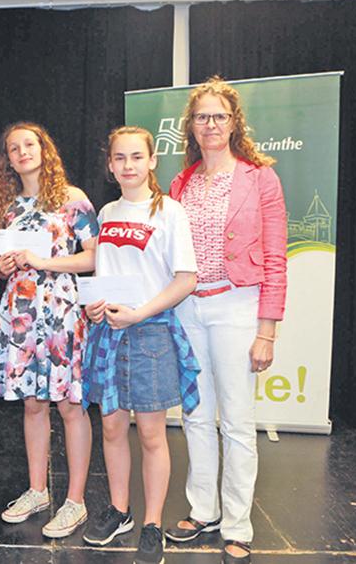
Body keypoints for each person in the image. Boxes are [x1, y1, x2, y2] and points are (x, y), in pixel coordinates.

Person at [164, 77, 287, 564]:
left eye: (219, 116)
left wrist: (267, 329)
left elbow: (276, 257)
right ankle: (204, 509)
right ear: (190, 127)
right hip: (189, 306)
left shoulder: (260, 178)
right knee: (195, 415)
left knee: (236, 422)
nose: (210, 124)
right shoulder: (180, 183)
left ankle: (237, 524)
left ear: (234, 122)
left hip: (239, 305)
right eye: (201, 117)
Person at [81, 126, 200, 564]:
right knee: (111, 428)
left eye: (136, 157)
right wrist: (95, 305)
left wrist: (141, 312)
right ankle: (119, 511)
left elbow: (186, 279)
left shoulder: (171, 212)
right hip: (108, 331)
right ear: (110, 166)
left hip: (149, 333)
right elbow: (105, 274)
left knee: (151, 434)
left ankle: (152, 524)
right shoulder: (108, 212)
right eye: (119, 158)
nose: (128, 165)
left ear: (152, 161)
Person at [0, 122, 97, 538]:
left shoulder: (73, 200)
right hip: (21, 314)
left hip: (62, 311)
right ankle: (38, 490)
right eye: (13, 148)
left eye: (29, 144)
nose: (22, 152)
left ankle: (76, 501)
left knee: (69, 405)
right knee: (32, 404)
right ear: (8, 159)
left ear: (43, 149)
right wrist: (2, 266)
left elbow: (93, 257)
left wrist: (44, 261)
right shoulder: (8, 206)